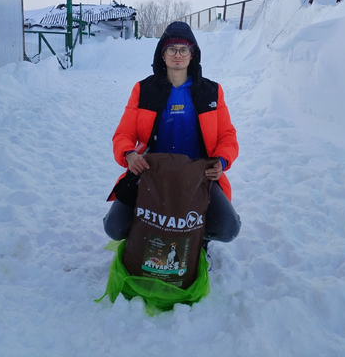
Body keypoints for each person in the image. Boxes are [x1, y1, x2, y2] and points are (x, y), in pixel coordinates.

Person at [103, 20, 241, 245]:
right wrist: (129, 154)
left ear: (192, 54)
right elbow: (123, 135)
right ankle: (148, 233)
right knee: (115, 228)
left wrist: (221, 161)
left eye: (184, 49)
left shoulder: (211, 92)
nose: (178, 54)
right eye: (171, 48)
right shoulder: (143, 90)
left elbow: (227, 134)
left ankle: (197, 239)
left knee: (228, 228)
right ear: (162, 54)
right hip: (150, 172)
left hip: (198, 175)